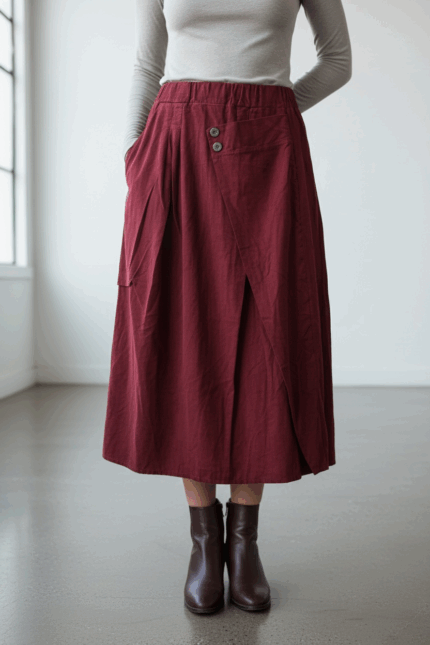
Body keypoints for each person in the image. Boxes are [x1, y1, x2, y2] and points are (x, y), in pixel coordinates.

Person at [103, 0, 352, 615]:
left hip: (270, 150)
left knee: (269, 336)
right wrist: (135, 154)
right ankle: (203, 541)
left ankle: (244, 540)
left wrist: (275, 107)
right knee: (184, 331)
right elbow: (147, 65)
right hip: (175, 148)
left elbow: (337, 60)